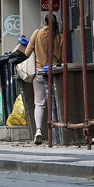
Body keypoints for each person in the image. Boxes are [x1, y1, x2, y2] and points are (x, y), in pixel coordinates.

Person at [28, 15, 63, 145]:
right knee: (55, 102)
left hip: (39, 71)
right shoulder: (60, 36)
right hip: (54, 72)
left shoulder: (37, 33)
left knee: (39, 103)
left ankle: (38, 130)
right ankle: (56, 132)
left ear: (45, 22)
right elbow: (63, 58)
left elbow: (27, 52)